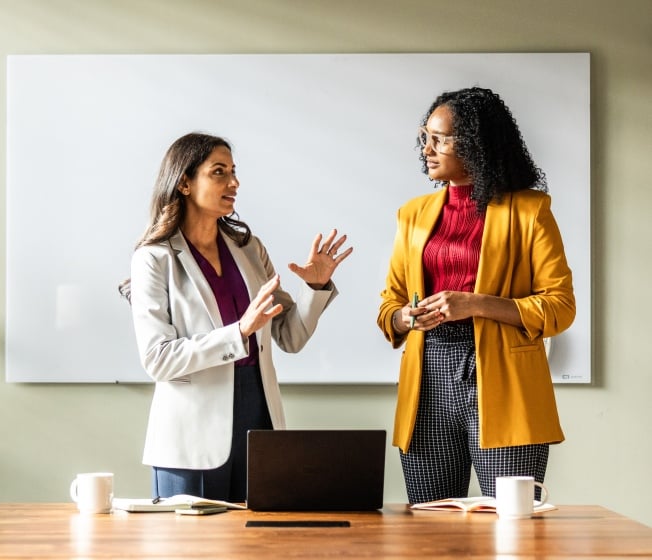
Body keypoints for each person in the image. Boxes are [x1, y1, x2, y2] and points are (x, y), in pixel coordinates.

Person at [120, 132, 352, 502]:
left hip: (258, 420)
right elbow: (158, 359)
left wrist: (317, 288)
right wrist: (240, 331)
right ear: (183, 182)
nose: (234, 182)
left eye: (233, 171)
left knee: (255, 550)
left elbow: (290, 337)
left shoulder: (248, 248)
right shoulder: (153, 258)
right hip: (190, 436)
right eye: (218, 172)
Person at [377, 87, 575, 504]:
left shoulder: (530, 210)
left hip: (503, 379)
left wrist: (475, 303)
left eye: (440, 139)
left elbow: (559, 306)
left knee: (513, 527)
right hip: (427, 379)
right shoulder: (411, 215)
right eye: (424, 137)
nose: (427, 149)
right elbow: (390, 305)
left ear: (476, 145)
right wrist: (405, 318)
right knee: (430, 529)